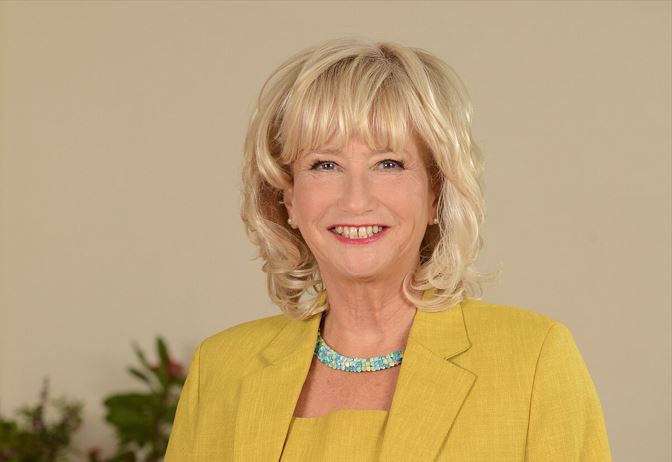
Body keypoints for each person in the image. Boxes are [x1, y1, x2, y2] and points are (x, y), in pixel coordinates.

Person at [164, 37, 612, 461]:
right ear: (289, 199)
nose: (356, 200)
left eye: (389, 163)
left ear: (435, 195)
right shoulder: (219, 369)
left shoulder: (534, 360)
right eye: (325, 164)